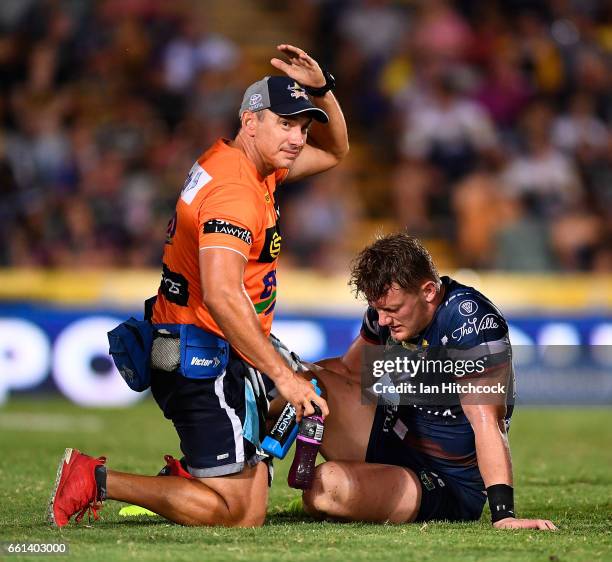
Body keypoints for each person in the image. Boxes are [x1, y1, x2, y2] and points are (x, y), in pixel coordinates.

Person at [47, 44, 348, 528]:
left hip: (219, 341)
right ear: (251, 121)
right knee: (241, 516)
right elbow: (223, 295)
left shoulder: (249, 164)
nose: (297, 138)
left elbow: (336, 150)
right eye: (286, 124)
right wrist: (285, 377)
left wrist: (323, 90)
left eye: (302, 127)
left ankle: (197, 472)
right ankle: (93, 479)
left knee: (308, 393)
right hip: (199, 353)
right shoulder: (234, 192)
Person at [301, 233, 557, 530]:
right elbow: (349, 372)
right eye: (379, 310)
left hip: (446, 482)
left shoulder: (471, 323)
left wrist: (504, 515)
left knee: (324, 488)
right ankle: (243, 470)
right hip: (392, 436)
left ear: (429, 291)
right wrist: (292, 372)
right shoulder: (384, 317)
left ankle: (370, 484)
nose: (383, 320)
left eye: (392, 310)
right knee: (296, 382)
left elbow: (488, 421)